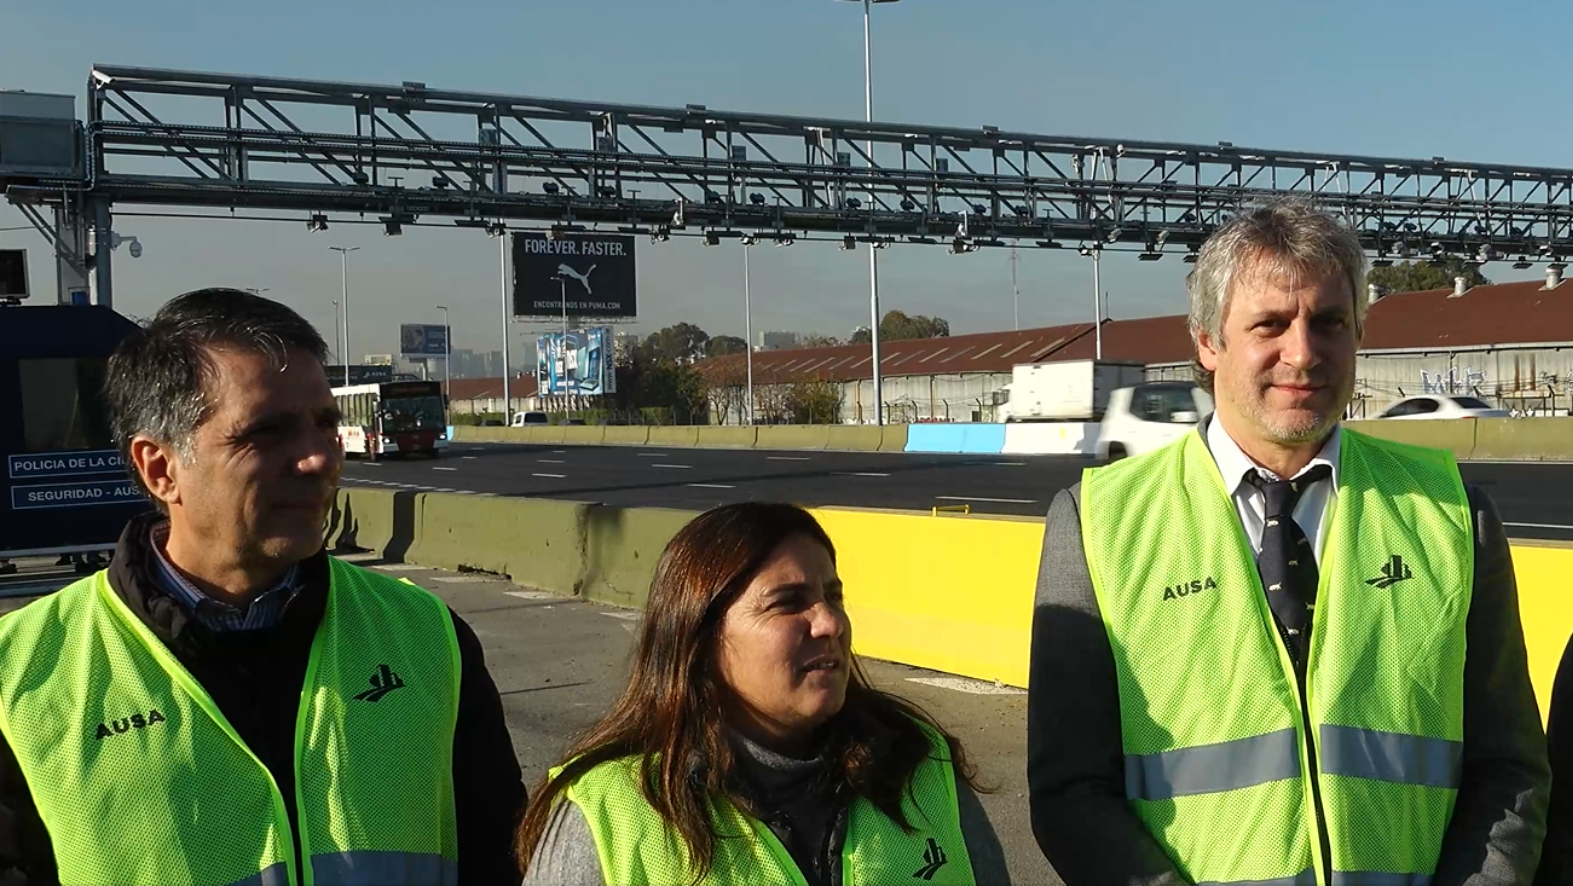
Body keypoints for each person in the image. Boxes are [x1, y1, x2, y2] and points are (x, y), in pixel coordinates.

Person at [1026, 201, 1550, 886]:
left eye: (1329, 323)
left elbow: (1508, 769)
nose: (1302, 353)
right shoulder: (1096, 523)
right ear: (1207, 341)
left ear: (1358, 333)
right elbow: (1070, 793)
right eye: (1269, 324)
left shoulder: (1453, 514)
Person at [0, 289, 526, 885]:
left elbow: (501, 863)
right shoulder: (20, 675)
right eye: (267, 433)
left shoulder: (429, 637)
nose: (318, 460)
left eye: (325, 424)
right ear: (160, 468)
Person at [514, 501, 1010, 886]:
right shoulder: (608, 815)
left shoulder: (919, 764)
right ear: (702, 640)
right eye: (788, 603)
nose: (831, 622)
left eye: (833, 596)